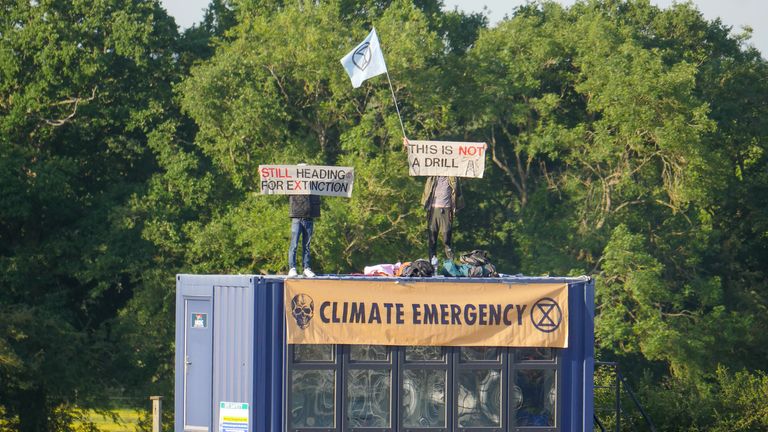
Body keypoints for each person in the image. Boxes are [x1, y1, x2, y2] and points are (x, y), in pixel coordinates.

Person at [422, 175, 464, 262]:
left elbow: (458, 192)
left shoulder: (453, 177)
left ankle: (450, 264)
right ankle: (432, 263)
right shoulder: (432, 176)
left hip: (446, 209)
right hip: (433, 209)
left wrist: (457, 207)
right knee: (432, 239)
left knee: (446, 240)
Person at [288, 193, 321, 277]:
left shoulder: (313, 183)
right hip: (296, 216)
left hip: (309, 217)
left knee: (307, 246)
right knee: (294, 245)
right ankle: (292, 268)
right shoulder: (294, 183)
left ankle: (306, 268)